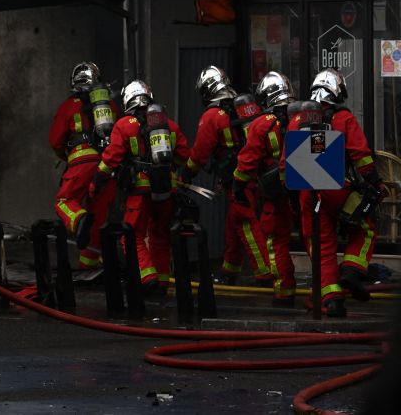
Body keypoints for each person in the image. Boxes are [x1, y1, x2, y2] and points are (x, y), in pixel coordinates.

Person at [289, 69, 385, 317]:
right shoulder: (344, 118)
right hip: (338, 188)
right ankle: (352, 270)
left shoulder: (297, 121)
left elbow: (285, 165)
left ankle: (333, 301)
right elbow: (360, 154)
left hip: (308, 194)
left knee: (321, 246)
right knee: (364, 228)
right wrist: (373, 181)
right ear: (337, 91)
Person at [93, 80, 188, 294]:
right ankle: (163, 282)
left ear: (128, 100)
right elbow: (183, 156)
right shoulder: (169, 125)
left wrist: (98, 178)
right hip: (166, 190)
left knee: (132, 235)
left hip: (140, 191)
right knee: (160, 234)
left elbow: (112, 158)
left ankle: (147, 278)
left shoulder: (124, 125)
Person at [182, 66, 272, 285]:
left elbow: (201, 152)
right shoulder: (242, 109)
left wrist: (187, 172)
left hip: (239, 178)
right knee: (234, 222)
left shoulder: (212, 115)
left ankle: (265, 274)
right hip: (254, 175)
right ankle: (229, 270)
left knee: (245, 224)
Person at [232, 71, 297, 307]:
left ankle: (284, 293)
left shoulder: (262, 124)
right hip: (308, 191)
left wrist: (238, 184)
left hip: (276, 194)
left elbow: (248, 159)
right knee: (317, 241)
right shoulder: (303, 117)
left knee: (276, 241)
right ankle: (328, 290)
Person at [49, 62, 118, 269]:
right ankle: (88, 265)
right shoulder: (111, 107)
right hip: (107, 166)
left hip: (81, 163)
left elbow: (55, 141)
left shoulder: (68, 106)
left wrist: (67, 156)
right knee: (97, 218)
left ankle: (78, 220)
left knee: (64, 201)